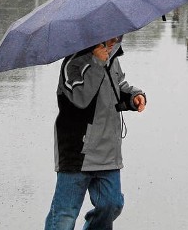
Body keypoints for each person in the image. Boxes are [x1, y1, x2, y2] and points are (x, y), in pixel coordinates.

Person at [44, 36, 147, 230]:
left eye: (117, 36)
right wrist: (97, 63)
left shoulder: (112, 59)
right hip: (77, 153)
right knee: (65, 214)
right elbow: (80, 98)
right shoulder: (72, 64)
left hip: (108, 151)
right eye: (110, 36)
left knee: (111, 204)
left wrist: (134, 97)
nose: (114, 40)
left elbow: (118, 87)